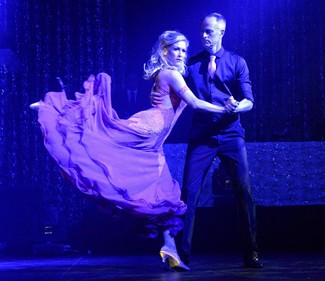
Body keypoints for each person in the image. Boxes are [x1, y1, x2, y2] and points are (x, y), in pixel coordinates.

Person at [29, 30, 235, 271]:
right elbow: (196, 104)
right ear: (165, 50)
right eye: (177, 49)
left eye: (183, 50)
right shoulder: (170, 74)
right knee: (100, 137)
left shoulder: (168, 73)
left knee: (165, 194)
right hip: (146, 130)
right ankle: (55, 110)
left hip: (155, 143)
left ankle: (169, 247)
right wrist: (226, 109)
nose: (181, 54)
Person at [151, 13, 263, 269]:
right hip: (202, 136)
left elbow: (249, 100)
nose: (203, 36)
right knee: (189, 193)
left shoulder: (236, 62)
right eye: (202, 31)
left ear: (221, 32)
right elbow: (176, 86)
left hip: (231, 135)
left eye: (209, 31)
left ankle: (252, 253)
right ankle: (182, 255)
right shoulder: (191, 64)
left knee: (243, 191)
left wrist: (237, 107)